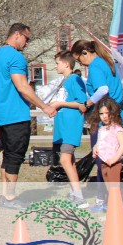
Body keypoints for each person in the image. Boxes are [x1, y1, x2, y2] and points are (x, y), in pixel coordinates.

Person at [0, 23, 56, 209]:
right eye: (27, 38)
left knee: (7, 155)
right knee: (15, 157)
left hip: (1, 115)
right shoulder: (16, 57)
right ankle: (10, 197)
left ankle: (4, 195)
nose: (27, 43)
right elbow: (22, 86)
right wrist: (45, 107)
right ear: (17, 34)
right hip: (16, 115)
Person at [72, 38, 123, 212]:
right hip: (117, 114)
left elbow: (103, 89)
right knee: (110, 158)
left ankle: (103, 200)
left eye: (80, 60)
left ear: (85, 53)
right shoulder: (107, 61)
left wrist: (87, 103)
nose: (81, 64)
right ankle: (110, 198)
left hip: (105, 116)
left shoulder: (95, 66)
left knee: (102, 158)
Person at [48, 50, 89, 208]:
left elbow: (82, 103)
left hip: (71, 126)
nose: (55, 66)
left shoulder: (74, 79)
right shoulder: (64, 81)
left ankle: (80, 197)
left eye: (57, 63)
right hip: (62, 126)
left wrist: (60, 104)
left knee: (65, 160)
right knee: (69, 161)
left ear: (66, 64)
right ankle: (74, 194)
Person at [91, 97, 123, 192]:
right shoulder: (101, 129)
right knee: (109, 190)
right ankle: (110, 201)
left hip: (113, 164)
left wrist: (114, 159)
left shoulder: (117, 128)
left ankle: (115, 202)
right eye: (101, 114)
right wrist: (95, 147)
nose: (104, 116)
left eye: (107, 113)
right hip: (104, 163)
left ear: (113, 112)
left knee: (114, 190)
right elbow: (99, 142)